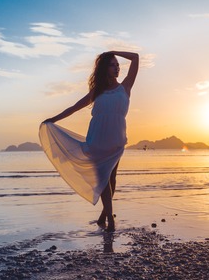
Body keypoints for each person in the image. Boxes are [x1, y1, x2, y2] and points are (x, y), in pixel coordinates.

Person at [40, 51, 139, 232]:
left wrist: (114, 52)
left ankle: (103, 215)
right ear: (104, 68)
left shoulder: (125, 87)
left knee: (112, 178)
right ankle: (110, 219)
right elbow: (73, 108)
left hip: (117, 141)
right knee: (103, 179)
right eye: (112, 64)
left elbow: (135, 57)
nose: (117, 67)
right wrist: (52, 120)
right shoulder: (97, 92)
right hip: (97, 141)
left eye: (117, 65)